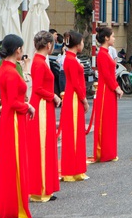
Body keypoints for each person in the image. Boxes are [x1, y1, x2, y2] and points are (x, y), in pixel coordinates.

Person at [0, 34, 35, 218]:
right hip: (14, 120)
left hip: (11, 119)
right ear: (17, 49)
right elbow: (12, 102)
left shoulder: (5, 68)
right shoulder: (10, 72)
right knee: (16, 161)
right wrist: (27, 106)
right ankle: (16, 206)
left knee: (13, 162)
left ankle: (13, 204)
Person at [28, 31, 61, 202]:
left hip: (43, 104)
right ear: (48, 45)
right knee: (42, 145)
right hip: (41, 105)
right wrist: (53, 96)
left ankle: (45, 186)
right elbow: (38, 88)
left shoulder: (39, 61)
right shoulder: (39, 63)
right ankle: (40, 188)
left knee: (46, 145)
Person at [59, 31, 89, 181]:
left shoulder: (71, 58)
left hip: (74, 96)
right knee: (73, 133)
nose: (83, 45)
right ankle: (72, 169)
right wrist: (84, 99)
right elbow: (75, 82)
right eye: (82, 42)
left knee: (76, 133)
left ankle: (77, 167)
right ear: (77, 44)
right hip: (74, 97)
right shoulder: (70, 60)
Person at [92, 27, 123, 162]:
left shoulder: (105, 53)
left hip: (108, 90)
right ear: (106, 38)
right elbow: (106, 75)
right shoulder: (102, 54)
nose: (114, 38)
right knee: (106, 121)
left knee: (110, 121)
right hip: (106, 91)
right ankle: (105, 152)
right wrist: (117, 88)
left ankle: (109, 151)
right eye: (113, 36)